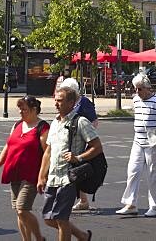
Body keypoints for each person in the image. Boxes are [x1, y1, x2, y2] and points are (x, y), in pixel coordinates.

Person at [38, 84, 102, 241]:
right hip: (53, 177)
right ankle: (82, 236)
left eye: (60, 101)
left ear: (71, 103)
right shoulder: (54, 123)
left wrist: (78, 158)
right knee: (48, 218)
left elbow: (97, 147)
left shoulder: (81, 122)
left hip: (69, 177)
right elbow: (48, 151)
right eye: (55, 100)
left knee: (61, 218)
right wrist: (41, 176)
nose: (56, 104)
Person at [0, 95, 50, 241]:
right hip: (14, 173)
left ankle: (39, 238)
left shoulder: (42, 128)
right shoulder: (17, 125)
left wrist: (43, 176)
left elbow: (47, 153)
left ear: (34, 110)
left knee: (22, 209)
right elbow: (8, 146)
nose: (20, 112)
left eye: (24, 109)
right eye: (20, 109)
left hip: (31, 175)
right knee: (19, 212)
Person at [116, 73, 156, 218]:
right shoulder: (136, 100)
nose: (137, 92)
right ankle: (131, 204)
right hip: (138, 140)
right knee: (133, 171)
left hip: (153, 142)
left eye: (140, 89)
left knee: (153, 174)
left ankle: (155, 206)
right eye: (135, 89)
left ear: (147, 88)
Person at [57, 77, 98, 212]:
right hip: (70, 140)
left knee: (76, 171)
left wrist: (86, 136)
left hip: (81, 141)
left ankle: (81, 200)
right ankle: (82, 200)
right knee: (73, 171)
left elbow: (94, 121)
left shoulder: (84, 102)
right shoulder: (71, 102)